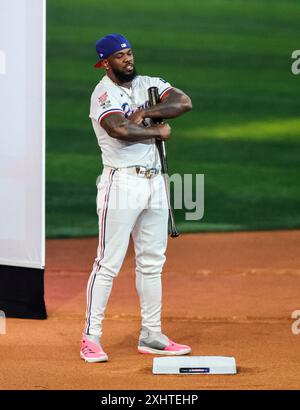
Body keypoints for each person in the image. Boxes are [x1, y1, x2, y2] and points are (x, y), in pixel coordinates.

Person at [80, 33, 192, 363]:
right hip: (122, 184)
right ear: (105, 63)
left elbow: (183, 102)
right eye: (119, 56)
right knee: (108, 262)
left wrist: (147, 113)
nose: (128, 59)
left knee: (152, 262)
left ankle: (152, 334)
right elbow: (118, 129)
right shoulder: (103, 94)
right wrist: (156, 130)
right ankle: (90, 337)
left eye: (129, 53)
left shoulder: (148, 83)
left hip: (155, 182)